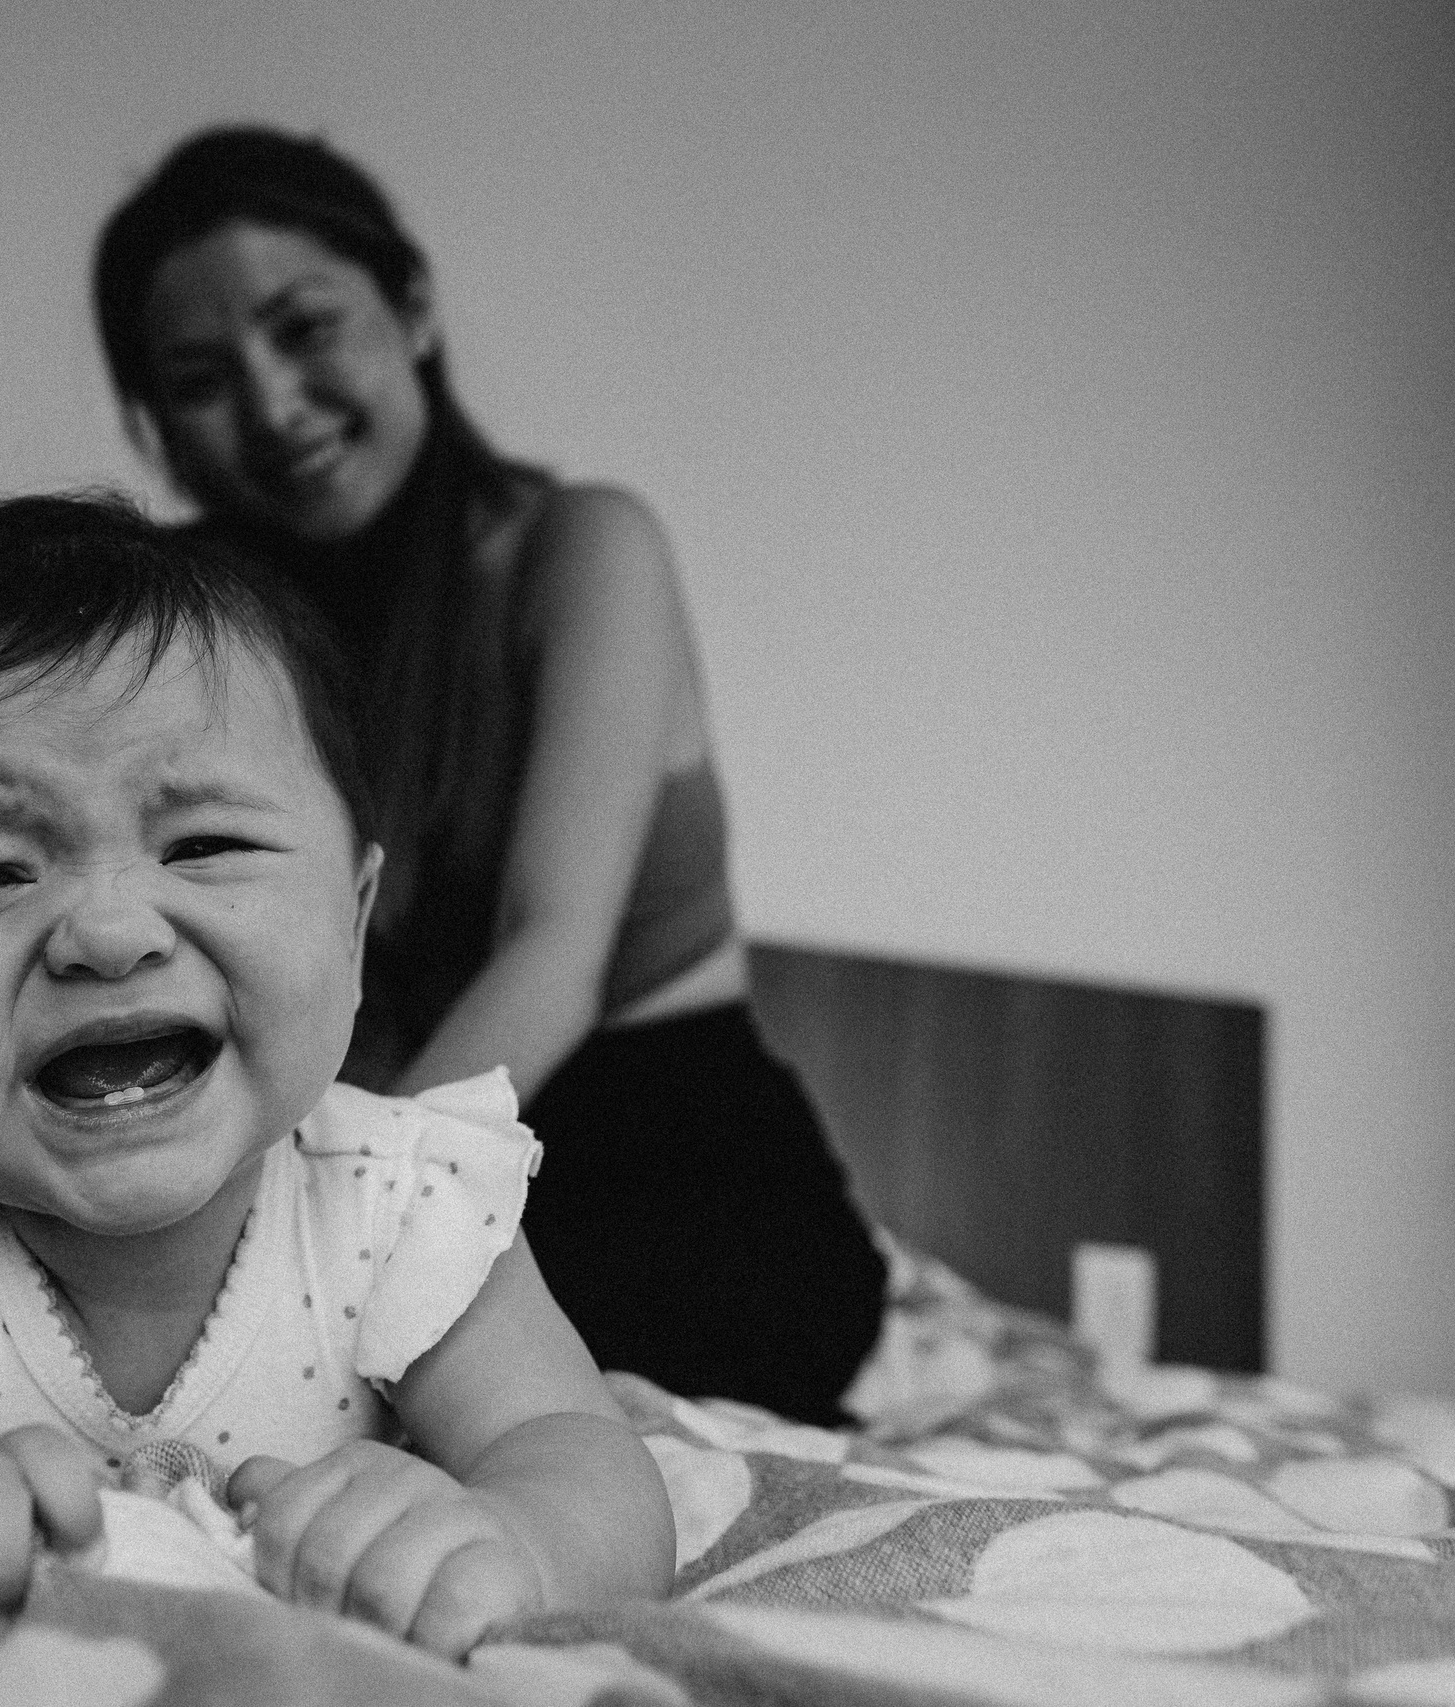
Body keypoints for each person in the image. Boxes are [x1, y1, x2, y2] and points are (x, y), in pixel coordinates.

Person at [0, 494, 674, 1656]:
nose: (110, 935)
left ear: (352, 927)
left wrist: (510, 1543)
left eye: (205, 845)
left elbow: (578, 1459)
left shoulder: (399, 1201)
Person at [87, 125, 887, 1420]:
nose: (274, 406)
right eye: (201, 380)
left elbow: (553, 949)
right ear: (160, 425)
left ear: (411, 306)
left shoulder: (580, 548)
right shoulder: (207, 632)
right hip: (395, 1134)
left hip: (671, 1160)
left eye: (307, 327)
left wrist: (319, 1227)